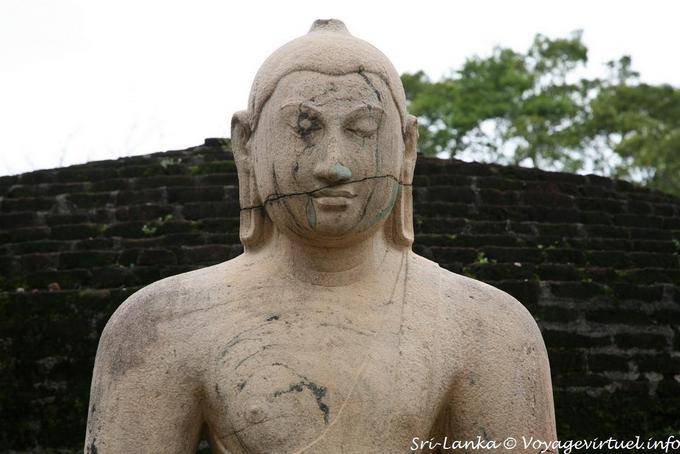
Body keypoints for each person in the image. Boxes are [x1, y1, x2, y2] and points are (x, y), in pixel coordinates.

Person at [85, 19, 557, 453]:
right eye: (303, 127)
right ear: (246, 145)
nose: (333, 164)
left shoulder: (488, 327)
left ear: (407, 148)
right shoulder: (161, 324)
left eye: (363, 129)